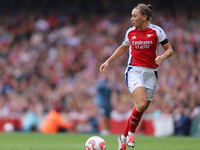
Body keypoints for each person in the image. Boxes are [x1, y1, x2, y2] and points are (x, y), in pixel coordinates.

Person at [99, 3, 173, 150]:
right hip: (134, 71)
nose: (132, 18)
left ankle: (123, 138)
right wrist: (108, 61)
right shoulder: (130, 32)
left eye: (134, 16)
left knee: (142, 107)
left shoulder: (157, 31)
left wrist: (163, 56)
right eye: (132, 16)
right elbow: (123, 47)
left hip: (151, 73)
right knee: (141, 102)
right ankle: (131, 134)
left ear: (144, 17)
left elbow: (170, 49)